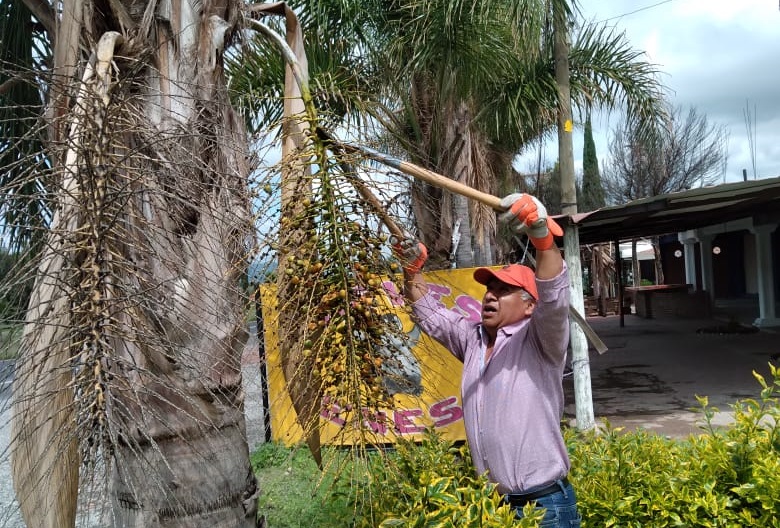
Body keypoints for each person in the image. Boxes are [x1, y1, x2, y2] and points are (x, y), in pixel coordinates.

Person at [391, 193, 581, 527]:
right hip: (497, 508)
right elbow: (430, 313)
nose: (490, 295)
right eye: (488, 288)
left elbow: (552, 293)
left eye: (503, 290)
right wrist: (412, 271)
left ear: (529, 305)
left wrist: (542, 237)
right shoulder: (472, 339)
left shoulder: (540, 340)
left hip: (545, 507)